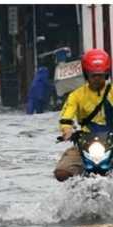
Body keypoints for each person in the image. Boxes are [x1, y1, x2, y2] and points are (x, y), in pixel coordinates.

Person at [54, 48, 113, 182]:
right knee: (61, 172)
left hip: (112, 140)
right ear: (86, 75)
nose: (97, 79)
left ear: (106, 74)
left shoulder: (112, 92)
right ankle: (76, 190)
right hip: (86, 142)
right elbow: (66, 117)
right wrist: (67, 131)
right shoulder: (76, 95)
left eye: (101, 75)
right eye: (93, 75)